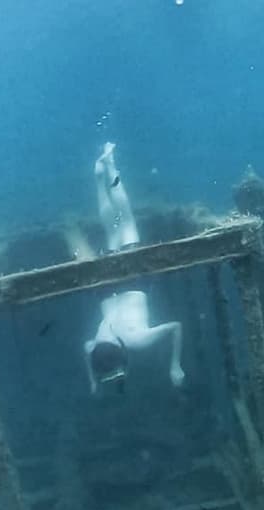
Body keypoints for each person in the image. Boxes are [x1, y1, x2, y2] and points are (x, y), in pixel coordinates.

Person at [84, 142, 185, 394]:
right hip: (106, 290)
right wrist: (93, 381)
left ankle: (111, 166)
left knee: (125, 218)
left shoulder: (135, 341)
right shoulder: (95, 344)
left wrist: (175, 366)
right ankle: (101, 176)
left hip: (132, 284)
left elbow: (175, 327)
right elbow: (86, 349)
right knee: (112, 228)